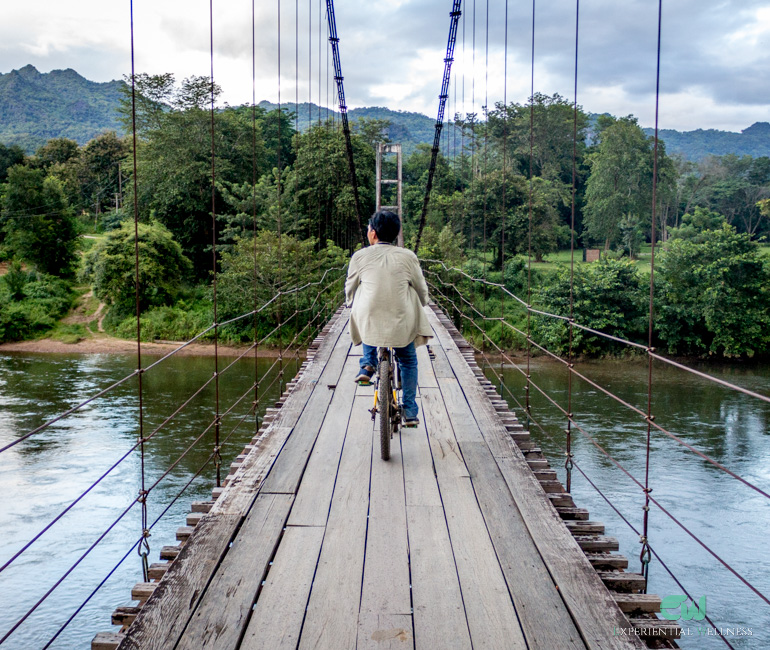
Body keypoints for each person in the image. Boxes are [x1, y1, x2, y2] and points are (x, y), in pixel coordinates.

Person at [345, 210, 432, 427]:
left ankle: (367, 365)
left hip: (369, 323)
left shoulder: (360, 256)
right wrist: (423, 300)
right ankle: (410, 411)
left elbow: (350, 287)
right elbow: (421, 290)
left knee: (362, 305)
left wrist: (350, 301)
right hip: (401, 325)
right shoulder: (408, 256)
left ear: (373, 234)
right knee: (409, 359)